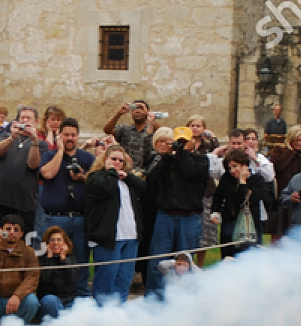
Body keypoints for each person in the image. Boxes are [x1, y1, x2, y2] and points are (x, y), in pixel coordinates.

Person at [144, 126, 209, 294]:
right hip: (165, 215)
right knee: (156, 261)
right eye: (177, 142)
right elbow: (152, 179)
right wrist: (168, 157)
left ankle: (184, 299)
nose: (180, 145)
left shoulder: (201, 161)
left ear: (192, 142)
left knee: (184, 262)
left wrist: (185, 153)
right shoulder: (167, 161)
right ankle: (154, 299)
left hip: (189, 216)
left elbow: (190, 172)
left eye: (184, 142)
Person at [85, 144, 144, 302]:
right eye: (113, 159)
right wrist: (112, 172)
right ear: (105, 159)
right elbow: (106, 189)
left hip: (131, 237)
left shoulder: (127, 180)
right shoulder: (95, 177)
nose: (117, 162)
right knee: (106, 282)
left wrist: (129, 177)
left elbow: (146, 191)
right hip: (109, 238)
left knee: (123, 281)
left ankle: (119, 315)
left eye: (120, 160)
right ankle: (102, 317)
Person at [37, 118, 94, 280]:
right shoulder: (49, 155)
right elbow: (47, 173)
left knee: (81, 261)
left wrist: (82, 178)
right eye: (66, 135)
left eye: (73, 135)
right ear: (60, 136)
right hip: (54, 219)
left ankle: (81, 296)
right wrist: (60, 151)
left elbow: (96, 181)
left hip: (79, 219)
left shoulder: (87, 158)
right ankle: (53, 294)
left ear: (78, 137)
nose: (70, 138)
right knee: (51, 259)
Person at [210, 148, 274, 257]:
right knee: (228, 256)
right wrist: (215, 212)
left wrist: (242, 182)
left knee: (249, 256)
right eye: (229, 168)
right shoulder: (226, 178)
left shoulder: (257, 180)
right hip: (229, 223)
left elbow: (249, 200)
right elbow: (218, 197)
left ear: (244, 165)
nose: (232, 171)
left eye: (235, 166)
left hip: (250, 224)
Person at [0, 105, 42, 234]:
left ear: (36, 122)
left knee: (22, 242)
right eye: (22, 117)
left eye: (29, 118)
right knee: (0, 238)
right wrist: (12, 137)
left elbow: (33, 165)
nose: (25, 121)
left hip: (24, 201)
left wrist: (34, 140)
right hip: (1, 197)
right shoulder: (5, 136)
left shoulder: (40, 143)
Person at [36, 226, 83, 321]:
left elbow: (74, 278)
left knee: (84, 304)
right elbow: (44, 279)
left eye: (59, 240)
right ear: (47, 243)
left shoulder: (71, 257)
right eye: (52, 240)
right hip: (49, 301)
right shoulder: (41, 259)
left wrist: (63, 258)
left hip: (69, 299)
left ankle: (63, 324)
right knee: (50, 301)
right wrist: (49, 259)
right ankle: (64, 324)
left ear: (64, 243)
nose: (55, 243)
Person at [103, 100, 156, 171]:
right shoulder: (124, 130)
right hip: (125, 171)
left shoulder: (151, 131)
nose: (137, 110)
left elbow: (161, 132)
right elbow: (107, 130)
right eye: (135, 108)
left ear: (147, 111)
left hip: (146, 171)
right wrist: (119, 114)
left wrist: (152, 119)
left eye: (141, 108)